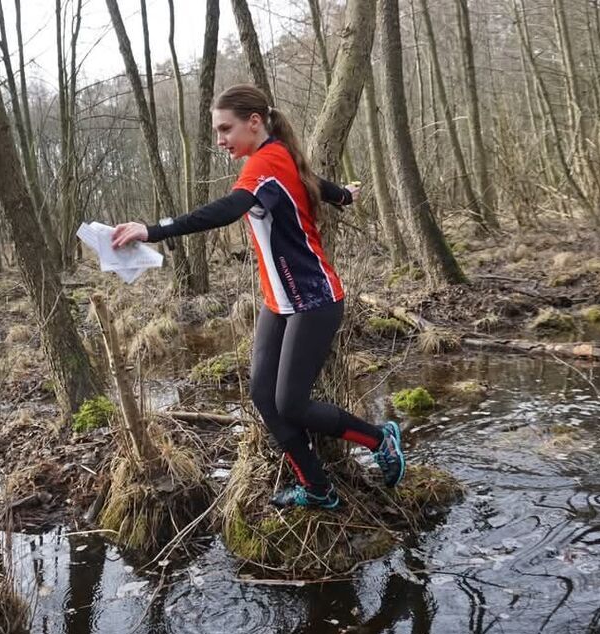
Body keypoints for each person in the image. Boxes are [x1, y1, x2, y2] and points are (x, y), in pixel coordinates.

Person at [111, 84, 405, 510]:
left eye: (225, 129)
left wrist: (152, 230)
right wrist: (342, 194)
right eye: (216, 131)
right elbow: (312, 182)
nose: (219, 140)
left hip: (314, 299)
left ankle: (380, 440)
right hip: (278, 303)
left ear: (254, 123)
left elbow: (229, 209)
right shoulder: (274, 158)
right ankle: (318, 488)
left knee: (292, 403)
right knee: (264, 399)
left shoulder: (264, 164)